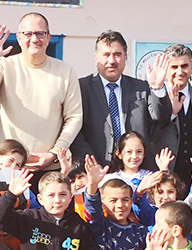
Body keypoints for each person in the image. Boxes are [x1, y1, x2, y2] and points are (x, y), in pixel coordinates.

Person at [0, 13, 83, 172]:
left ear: (48, 37)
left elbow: (75, 117)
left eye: (40, 33)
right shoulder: (5, 65)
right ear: (19, 38)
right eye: (28, 34)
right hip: (10, 167)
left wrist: (55, 153)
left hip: (50, 168)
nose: (34, 39)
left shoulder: (66, 71)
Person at [71, 30, 169, 166]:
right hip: (97, 168)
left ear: (125, 58)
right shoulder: (81, 88)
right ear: (96, 58)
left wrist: (157, 88)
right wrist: (91, 163)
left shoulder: (141, 88)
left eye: (117, 54)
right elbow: (75, 131)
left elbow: (161, 119)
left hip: (136, 169)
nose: (112, 61)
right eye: (106, 55)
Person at [149, 45, 192, 185]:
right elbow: (151, 134)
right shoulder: (154, 97)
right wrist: (170, 114)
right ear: (166, 69)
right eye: (174, 67)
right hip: (166, 175)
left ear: (191, 67)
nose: (180, 71)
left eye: (184, 66)